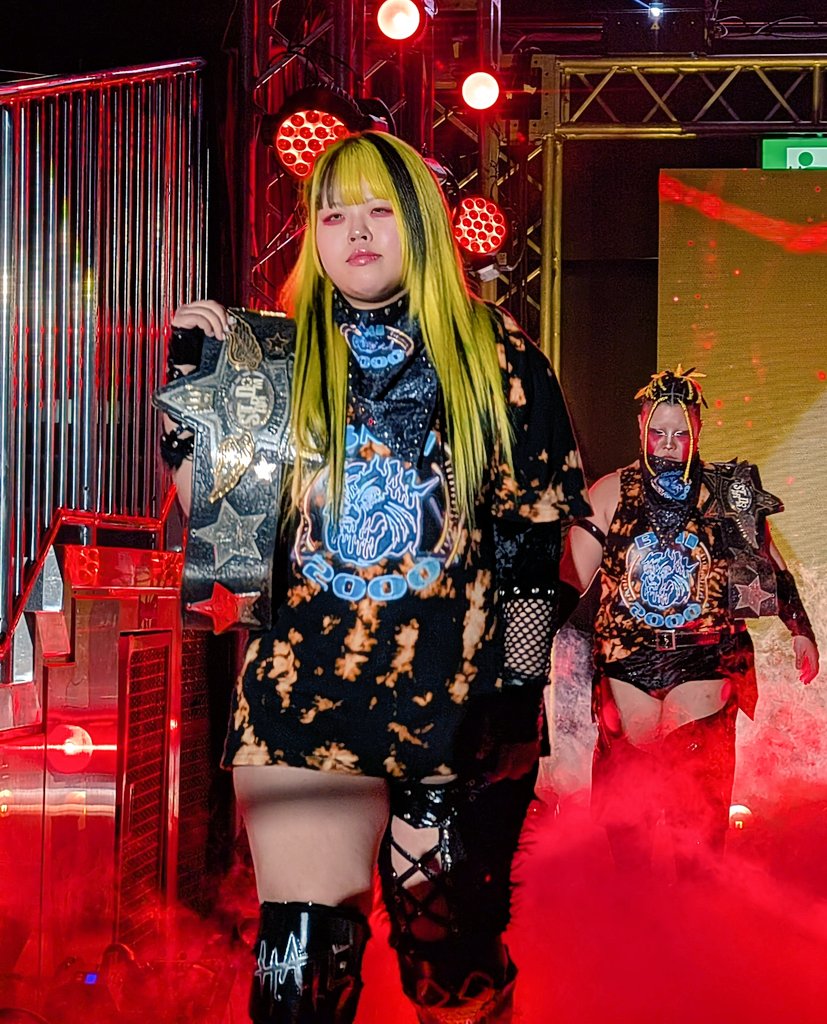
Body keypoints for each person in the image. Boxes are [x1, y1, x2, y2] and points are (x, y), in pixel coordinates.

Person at [159, 130, 590, 1023]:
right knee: (299, 977)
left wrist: (515, 705)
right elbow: (225, 535)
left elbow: (531, 549)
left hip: (457, 708)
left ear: (421, 224)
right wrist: (195, 392)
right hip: (302, 697)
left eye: (378, 210)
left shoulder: (494, 353)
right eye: (332, 215)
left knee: (447, 966)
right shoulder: (271, 352)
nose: (354, 231)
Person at [559, 365, 819, 879]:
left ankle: (695, 901)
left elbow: (769, 564)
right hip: (628, 659)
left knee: (696, 805)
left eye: (680, 433)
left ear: (697, 429)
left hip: (703, 653)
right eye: (658, 431)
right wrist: (529, 643)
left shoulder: (726, 492)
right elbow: (571, 579)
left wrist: (800, 629)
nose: (668, 444)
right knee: (630, 807)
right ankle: (636, 909)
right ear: (641, 428)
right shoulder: (610, 493)